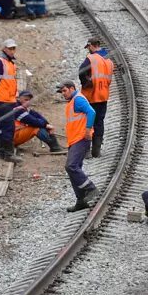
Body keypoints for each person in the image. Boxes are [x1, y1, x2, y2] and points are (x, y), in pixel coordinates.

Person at [57, 80, 98, 212]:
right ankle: (80, 200)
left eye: (64, 90)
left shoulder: (78, 99)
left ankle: (90, 189)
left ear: (72, 88)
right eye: (61, 92)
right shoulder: (72, 102)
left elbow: (92, 112)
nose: (63, 94)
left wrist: (87, 130)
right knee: (73, 169)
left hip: (81, 138)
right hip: (75, 140)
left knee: (71, 166)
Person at [0, 91, 64, 161]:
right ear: (19, 99)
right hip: (10, 138)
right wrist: (45, 125)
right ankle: (54, 147)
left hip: (12, 136)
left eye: (29, 100)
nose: (28, 102)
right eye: (25, 100)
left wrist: (46, 124)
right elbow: (32, 121)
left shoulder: (24, 108)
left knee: (40, 125)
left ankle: (55, 145)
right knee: (35, 128)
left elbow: (38, 116)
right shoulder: (17, 109)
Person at [77, 37, 114, 158]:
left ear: (91, 46)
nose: (88, 50)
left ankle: (86, 151)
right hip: (103, 96)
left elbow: (81, 71)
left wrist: (86, 83)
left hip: (91, 96)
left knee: (88, 122)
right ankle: (96, 151)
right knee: (99, 122)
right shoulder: (108, 60)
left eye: (88, 48)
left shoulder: (91, 58)